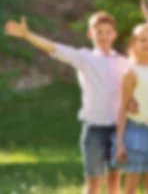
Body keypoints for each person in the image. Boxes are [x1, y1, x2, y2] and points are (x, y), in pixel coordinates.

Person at [4, 13, 128, 194]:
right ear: (90, 34)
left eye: (107, 32)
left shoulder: (123, 62)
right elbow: (54, 48)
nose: (103, 36)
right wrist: (27, 35)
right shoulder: (84, 58)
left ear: (114, 35)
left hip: (118, 130)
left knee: (114, 183)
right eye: (99, 32)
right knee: (93, 184)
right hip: (94, 129)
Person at [113, 24, 148, 194]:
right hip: (136, 130)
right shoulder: (131, 72)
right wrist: (119, 144)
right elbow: (123, 109)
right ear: (133, 44)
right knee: (132, 182)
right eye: (143, 40)